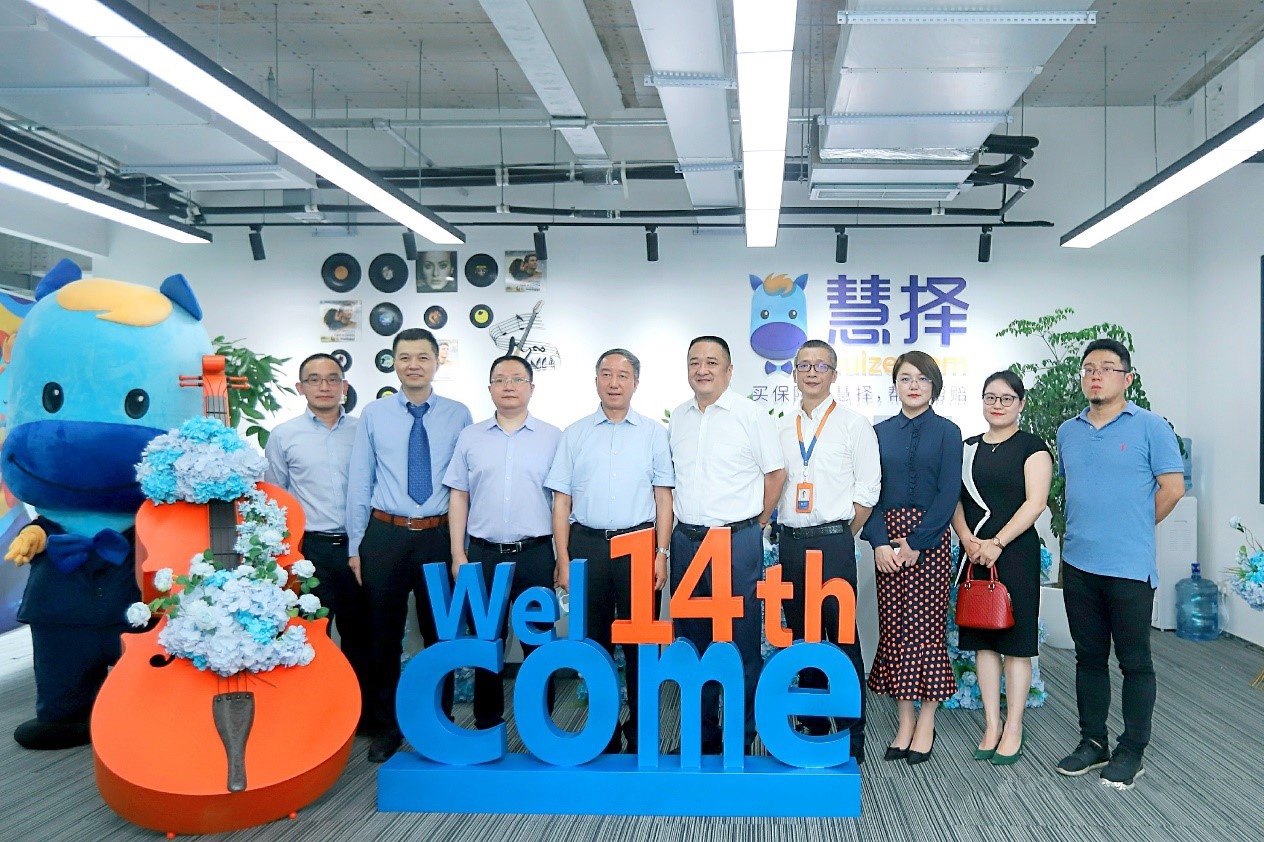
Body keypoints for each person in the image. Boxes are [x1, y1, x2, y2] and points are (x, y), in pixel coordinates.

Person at [1054, 339, 1183, 789]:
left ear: (1127, 378)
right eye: (1089, 368)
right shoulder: (1067, 431)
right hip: (1078, 565)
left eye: (1107, 368)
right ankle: (1094, 741)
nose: (1096, 375)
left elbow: (1172, 488)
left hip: (1129, 567)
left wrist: (1134, 526)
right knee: (1088, 658)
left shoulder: (1151, 426)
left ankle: (1132, 750)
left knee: (1134, 662)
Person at [346, 327, 472, 763]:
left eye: (422, 357)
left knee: (441, 634)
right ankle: (387, 727)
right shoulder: (374, 414)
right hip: (385, 534)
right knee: (384, 636)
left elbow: (466, 484)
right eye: (405, 357)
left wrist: (461, 547)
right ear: (394, 363)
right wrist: (355, 545)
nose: (413, 365)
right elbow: (360, 481)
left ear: (437, 362)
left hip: (439, 534)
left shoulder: (458, 414)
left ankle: (439, 723)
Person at [546, 348, 674, 754]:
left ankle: (641, 732)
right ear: (596, 380)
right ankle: (603, 732)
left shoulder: (653, 433)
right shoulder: (575, 433)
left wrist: (661, 552)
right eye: (606, 374)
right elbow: (561, 502)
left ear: (636, 382)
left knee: (641, 643)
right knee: (594, 642)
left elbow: (663, 498)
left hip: (639, 544)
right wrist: (563, 558)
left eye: (622, 375)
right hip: (587, 545)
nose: (614, 382)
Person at [668, 335, 785, 753]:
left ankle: (739, 735)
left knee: (739, 642)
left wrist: (756, 524)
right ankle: (701, 737)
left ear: (729, 370)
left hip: (735, 542)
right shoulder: (678, 418)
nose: (702, 369)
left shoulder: (750, 415)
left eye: (712, 362)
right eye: (694, 362)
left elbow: (776, 474)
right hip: (687, 541)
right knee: (692, 643)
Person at [773, 339, 879, 764]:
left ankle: (853, 732)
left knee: (842, 635)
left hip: (834, 541)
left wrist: (837, 533)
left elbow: (867, 492)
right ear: (794, 374)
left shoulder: (854, 424)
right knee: (803, 636)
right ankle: (814, 724)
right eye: (804, 365)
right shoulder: (782, 427)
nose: (812, 372)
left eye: (821, 366)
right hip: (791, 543)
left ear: (834, 374)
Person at [444, 355, 562, 731]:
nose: (508, 385)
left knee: (539, 644)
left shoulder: (553, 437)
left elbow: (563, 502)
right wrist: (458, 553)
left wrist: (561, 558)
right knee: (486, 644)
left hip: (535, 554)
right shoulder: (470, 437)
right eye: (500, 379)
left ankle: (542, 726)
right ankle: (487, 723)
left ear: (532, 387)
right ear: (490, 388)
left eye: (517, 379)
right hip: (483, 555)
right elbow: (458, 495)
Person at [862, 350, 962, 766]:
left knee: (927, 631)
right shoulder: (877, 432)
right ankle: (904, 721)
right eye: (905, 378)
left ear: (934, 385)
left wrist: (918, 542)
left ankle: (926, 721)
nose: (914, 385)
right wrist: (879, 542)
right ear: (896, 386)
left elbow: (949, 493)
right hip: (887, 541)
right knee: (896, 630)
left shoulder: (948, 432)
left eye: (922, 378)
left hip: (930, 540)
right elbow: (869, 492)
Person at [951, 371, 1052, 766]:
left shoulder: (1032, 447)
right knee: (984, 642)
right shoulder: (967, 448)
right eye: (990, 397)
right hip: (975, 554)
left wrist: (997, 543)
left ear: (1020, 403)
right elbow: (955, 500)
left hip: (1015, 553)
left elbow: (1035, 503)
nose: (998, 405)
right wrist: (968, 540)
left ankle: (1014, 726)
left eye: (1007, 398)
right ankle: (991, 725)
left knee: (1015, 645)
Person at [264, 353, 370, 724]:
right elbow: (276, 499)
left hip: (361, 549)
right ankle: (316, 718)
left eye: (332, 378)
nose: (324, 386)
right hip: (310, 551)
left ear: (345, 386)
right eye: (314, 379)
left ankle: (361, 716)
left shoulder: (364, 431)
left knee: (362, 636)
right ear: (301, 387)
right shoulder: (284, 435)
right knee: (310, 635)